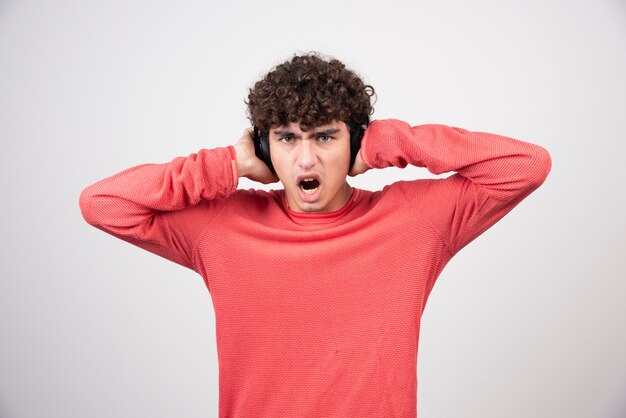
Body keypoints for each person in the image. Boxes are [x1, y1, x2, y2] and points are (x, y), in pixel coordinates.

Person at [79, 51, 551, 417]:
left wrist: (394, 142)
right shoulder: (221, 226)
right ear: (264, 147)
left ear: (355, 141)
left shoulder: (413, 221)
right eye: (286, 138)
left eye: (325, 136)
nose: (306, 160)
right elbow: (102, 203)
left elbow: (527, 166)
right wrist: (224, 165)